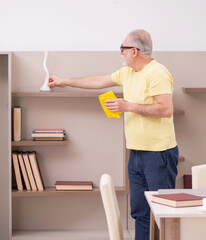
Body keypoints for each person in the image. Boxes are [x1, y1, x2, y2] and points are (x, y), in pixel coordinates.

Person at [48, 29, 178, 240]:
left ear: (134, 51)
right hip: (136, 153)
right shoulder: (127, 73)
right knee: (140, 213)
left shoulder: (157, 73)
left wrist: (129, 106)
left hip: (158, 154)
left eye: (122, 49)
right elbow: (99, 80)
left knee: (162, 214)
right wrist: (65, 81)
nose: (120, 53)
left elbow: (166, 109)